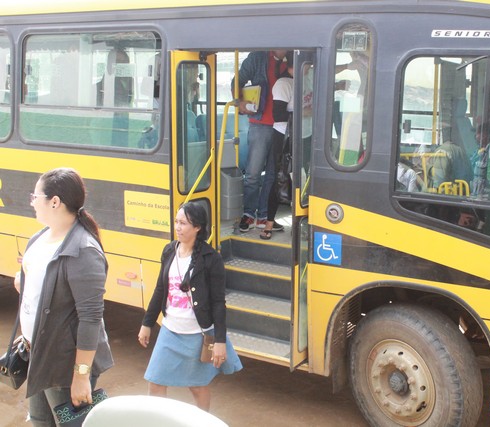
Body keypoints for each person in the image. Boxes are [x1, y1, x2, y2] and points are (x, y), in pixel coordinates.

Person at [16, 167, 113, 426]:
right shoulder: (40, 238)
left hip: (64, 363)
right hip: (39, 353)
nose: (32, 202)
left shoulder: (83, 250)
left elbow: (90, 318)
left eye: (35, 196)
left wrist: (81, 376)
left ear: (55, 202)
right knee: (40, 420)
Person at [138, 202, 242, 411]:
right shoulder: (169, 250)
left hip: (198, 335)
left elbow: (218, 303)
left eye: (183, 223)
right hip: (170, 331)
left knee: (197, 386)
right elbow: (160, 290)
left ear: (197, 227)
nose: (178, 227)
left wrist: (220, 340)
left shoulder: (211, 258)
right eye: (176, 222)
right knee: (155, 382)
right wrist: (147, 323)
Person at [232, 50, 289, 232]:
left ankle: (264, 216)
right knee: (253, 173)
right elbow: (237, 81)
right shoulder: (258, 58)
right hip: (259, 124)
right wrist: (239, 102)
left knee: (273, 175)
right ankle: (249, 214)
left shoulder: (293, 58)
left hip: (282, 126)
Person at [260, 53, 295, 240]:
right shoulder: (283, 84)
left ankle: (300, 220)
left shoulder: (304, 79)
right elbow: (279, 115)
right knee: (279, 177)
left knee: (302, 179)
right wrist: (306, 112)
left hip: (302, 135)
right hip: (283, 137)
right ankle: (269, 222)